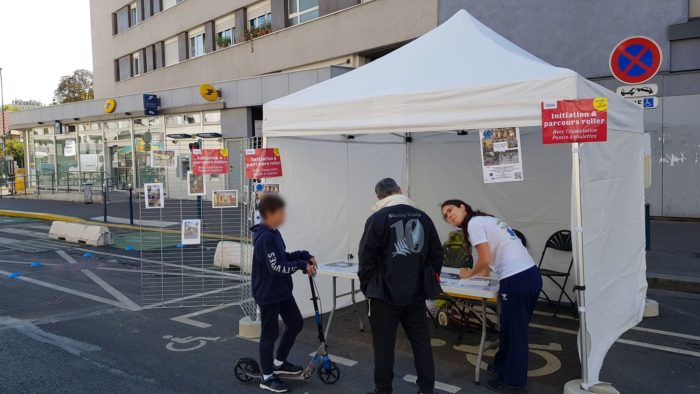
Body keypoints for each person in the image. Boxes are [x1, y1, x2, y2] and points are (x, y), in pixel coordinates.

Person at [440, 199, 542, 393]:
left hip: (517, 279)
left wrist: (468, 274)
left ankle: (514, 383)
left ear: (463, 207)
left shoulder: (474, 223)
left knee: (515, 332)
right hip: (527, 275)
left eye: (450, 210)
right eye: (445, 216)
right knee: (508, 329)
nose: (449, 216)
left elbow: (484, 258)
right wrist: (483, 272)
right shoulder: (485, 220)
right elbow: (489, 257)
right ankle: (501, 366)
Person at [359, 178, 444, 394]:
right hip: (415, 293)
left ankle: (384, 390)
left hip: (383, 294)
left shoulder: (377, 218)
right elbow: (436, 254)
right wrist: (425, 281)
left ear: (379, 197)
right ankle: (426, 389)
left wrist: (368, 286)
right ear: (399, 190)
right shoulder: (423, 217)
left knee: (384, 346)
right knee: (421, 343)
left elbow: (366, 258)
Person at [251, 194, 317, 393]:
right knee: (269, 334)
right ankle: (267, 377)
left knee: (296, 322)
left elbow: (283, 257)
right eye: (281, 212)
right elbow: (276, 267)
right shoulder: (264, 237)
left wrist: (302, 255)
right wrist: (300, 265)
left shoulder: (274, 233)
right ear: (270, 214)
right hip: (268, 293)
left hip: (282, 291)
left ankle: (279, 362)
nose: (283, 216)